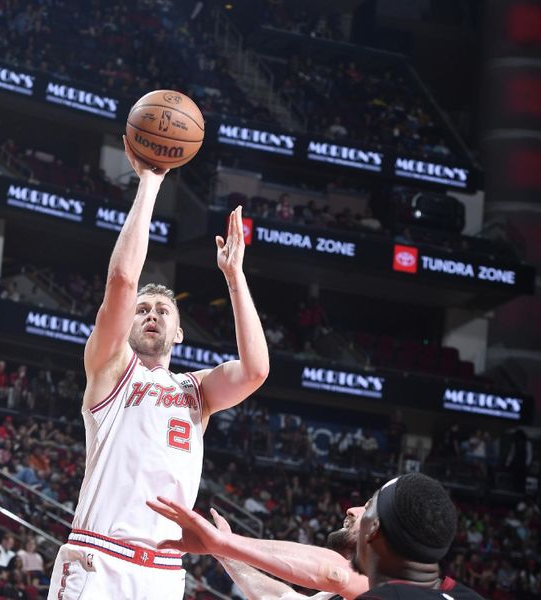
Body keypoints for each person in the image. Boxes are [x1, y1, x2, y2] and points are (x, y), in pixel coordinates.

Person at [47, 137, 269, 599]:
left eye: (163, 310)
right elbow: (123, 280)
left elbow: (255, 371)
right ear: (126, 326)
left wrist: (235, 278)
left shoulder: (197, 391)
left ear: (180, 333)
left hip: (165, 572)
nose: (152, 314)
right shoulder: (109, 368)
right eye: (143, 309)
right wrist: (150, 180)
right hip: (100, 561)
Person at [149, 473, 484, 599]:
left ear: (377, 531)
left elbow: (334, 573)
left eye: (367, 508)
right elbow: (280, 599)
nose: (352, 510)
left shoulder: (391, 595)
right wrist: (226, 553)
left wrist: (225, 543)